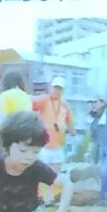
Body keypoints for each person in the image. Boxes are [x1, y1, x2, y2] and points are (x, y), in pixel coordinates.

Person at [32, 74, 73, 203]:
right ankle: (39, 197)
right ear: (51, 87)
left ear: (63, 90)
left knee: (55, 175)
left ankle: (52, 198)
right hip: (44, 145)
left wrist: (70, 130)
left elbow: (70, 123)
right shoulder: (44, 100)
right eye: (55, 87)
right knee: (41, 173)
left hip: (58, 145)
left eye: (59, 88)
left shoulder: (65, 105)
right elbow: (31, 103)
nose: (56, 91)